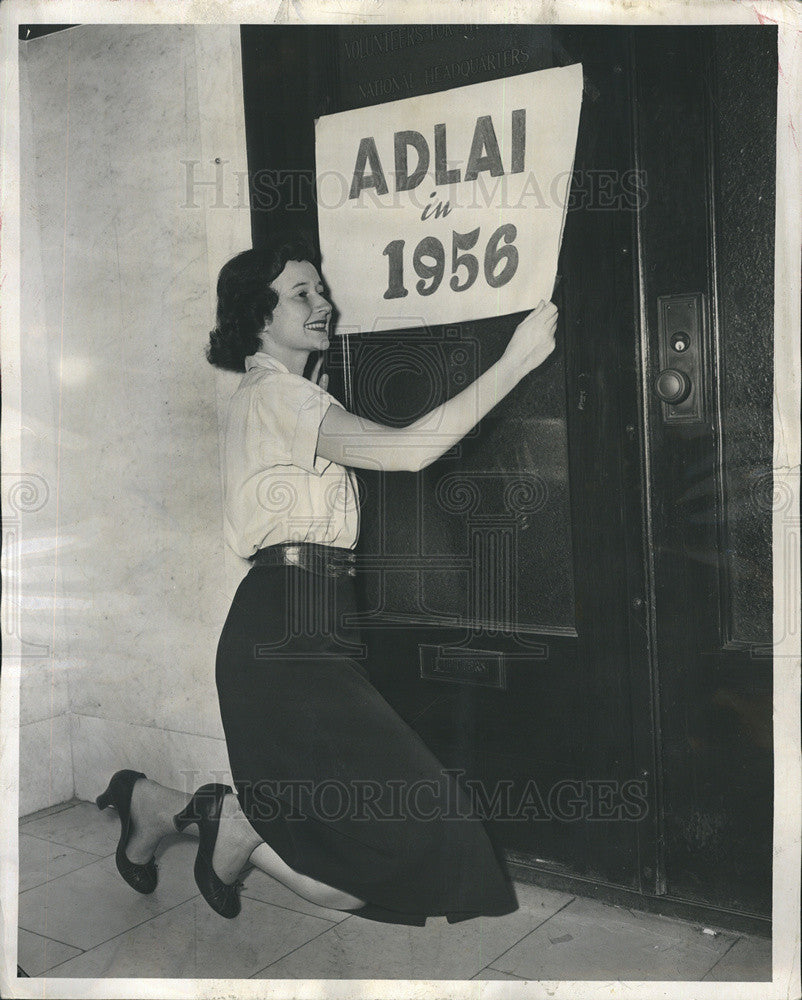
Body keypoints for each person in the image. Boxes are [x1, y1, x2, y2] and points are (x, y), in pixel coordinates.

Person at [97, 232, 559, 925]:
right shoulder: (284, 402)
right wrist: (515, 362)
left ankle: (166, 809)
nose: (324, 303)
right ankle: (226, 824)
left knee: (359, 862)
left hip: (307, 621)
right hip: (285, 632)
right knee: (389, 846)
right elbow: (407, 453)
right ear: (259, 315)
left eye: (322, 289)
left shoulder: (285, 397)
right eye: (302, 293)